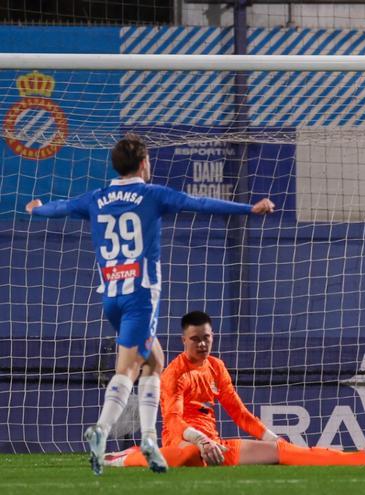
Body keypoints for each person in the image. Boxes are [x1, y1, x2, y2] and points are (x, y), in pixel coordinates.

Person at [25, 134, 276, 474]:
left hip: (111, 295)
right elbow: (200, 203)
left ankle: (147, 439)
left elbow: (61, 207)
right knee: (128, 367)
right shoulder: (151, 194)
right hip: (140, 297)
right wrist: (249, 208)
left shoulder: (96, 197)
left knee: (154, 360)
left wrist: (38, 211)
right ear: (144, 164)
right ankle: (100, 430)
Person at [103, 310, 365, 468]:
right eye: (195, 339)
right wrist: (200, 441)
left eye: (207, 338)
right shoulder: (174, 372)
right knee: (187, 455)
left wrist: (274, 438)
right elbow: (174, 421)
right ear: (183, 340)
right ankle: (130, 456)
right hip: (185, 445)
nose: (202, 344)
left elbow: (239, 412)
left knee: (282, 453)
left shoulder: (216, 367)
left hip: (216, 448)